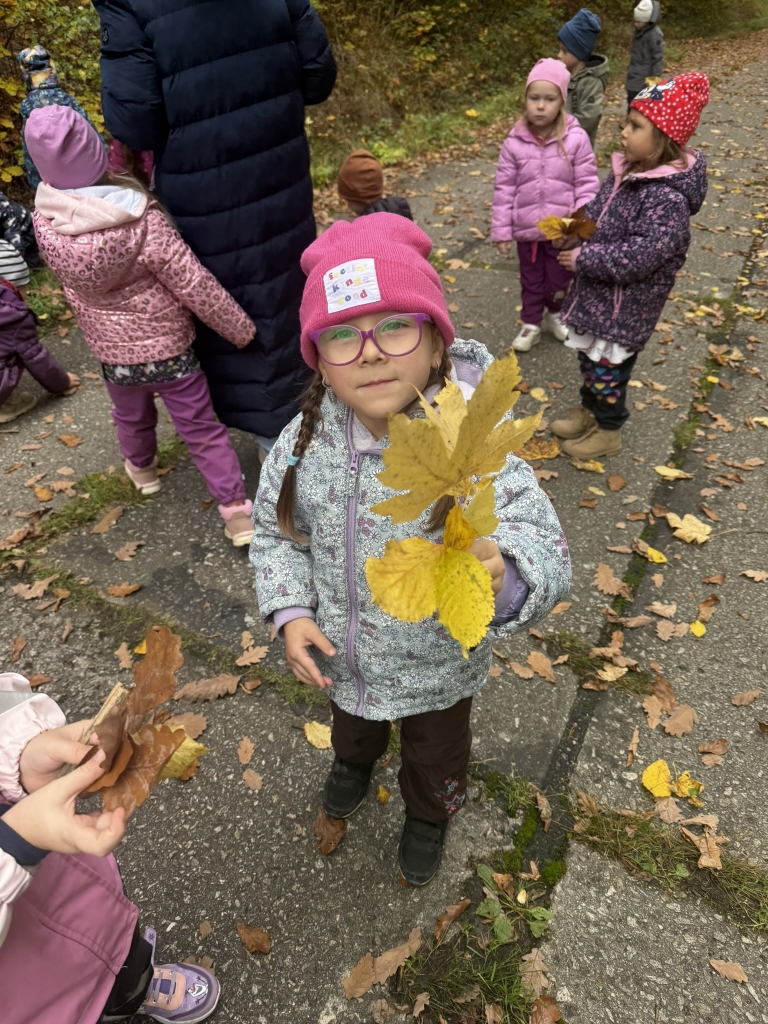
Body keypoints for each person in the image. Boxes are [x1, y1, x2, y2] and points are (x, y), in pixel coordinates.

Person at [249, 213, 571, 886]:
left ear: (435, 342)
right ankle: (353, 764)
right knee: (353, 731)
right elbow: (278, 537)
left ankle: (429, 814)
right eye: (342, 336)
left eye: (394, 326)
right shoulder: (304, 446)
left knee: (436, 757)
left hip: (438, 672)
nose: (369, 352)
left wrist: (506, 574)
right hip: (344, 662)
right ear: (319, 361)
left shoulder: (472, 445)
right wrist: (291, 612)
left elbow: (544, 543)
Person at [92, 0, 337, 455]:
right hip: (279, 168)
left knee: (225, 303)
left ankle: (277, 441)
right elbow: (318, 74)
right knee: (285, 289)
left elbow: (134, 121)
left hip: (201, 188)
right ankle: (303, 418)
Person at [26, 105, 258, 547]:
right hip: (170, 352)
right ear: (97, 152)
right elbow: (192, 282)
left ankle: (143, 471)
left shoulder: (47, 224)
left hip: (113, 355)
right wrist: (240, 329)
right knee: (201, 430)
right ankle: (236, 513)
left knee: (130, 416)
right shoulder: (141, 219)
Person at [0, 670, 220, 1022]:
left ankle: (137, 986)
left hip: (59, 877)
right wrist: (16, 843)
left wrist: (19, 754)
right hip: (23, 992)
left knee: (118, 941)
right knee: (73, 1005)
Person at [552, 73, 709, 459]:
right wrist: (570, 230)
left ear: (664, 138)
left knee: (607, 370)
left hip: (624, 309)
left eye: (635, 126)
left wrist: (583, 258)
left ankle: (608, 431)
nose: (623, 131)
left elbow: (640, 256)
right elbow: (597, 209)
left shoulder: (667, 199)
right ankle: (590, 413)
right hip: (599, 300)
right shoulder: (629, 170)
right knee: (589, 360)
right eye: (626, 122)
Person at [490, 58, 599, 353]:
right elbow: (504, 188)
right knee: (531, 281)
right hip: (527, 232)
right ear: (525, 99)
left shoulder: (576, 139)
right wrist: (501, 230)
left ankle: (557, 313)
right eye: (534, 98)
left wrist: (579, 227)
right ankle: (531, 323)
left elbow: (586, 186)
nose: (540, 106)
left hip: (560, 231)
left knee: (560, 278)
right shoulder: (514, 142)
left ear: (561, 101)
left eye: (549, 99)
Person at [17, 45, 104, 191]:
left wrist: (35, 179)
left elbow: (30, 142)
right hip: (83, 169)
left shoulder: (28, 104)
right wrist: (102, 154)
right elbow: (87, 127)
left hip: (51, 175)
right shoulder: (64, 97)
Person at [0, 267, 79, 424]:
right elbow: (36, 357)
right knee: (20, 351)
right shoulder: (15, 317)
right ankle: (8, 405)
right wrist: (62, 383)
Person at [557, 8, 609, 148]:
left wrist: (559, 128)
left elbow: (589, 118)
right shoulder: (564, 74)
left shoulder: (591, 82)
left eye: (564, 51)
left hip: (578, 148)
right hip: (559, 143)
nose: (559, 55)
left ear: (578, 53)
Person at [337, 150, 413, 220]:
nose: (348, 206)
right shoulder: (401, 210)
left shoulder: (363, 228)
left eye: (348, 201)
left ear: (356, 199)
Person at [626, 1, 664, 110]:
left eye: (639, 22)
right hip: (634, 72)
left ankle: (636, 118)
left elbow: (658, 57)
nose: (636, 24)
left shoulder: (655, 34)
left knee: (640, 103)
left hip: (645, 76)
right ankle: (631, 116)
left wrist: (655, 78)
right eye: (635, 21)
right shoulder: (639, 31)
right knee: (631, 98)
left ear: (647, 21)